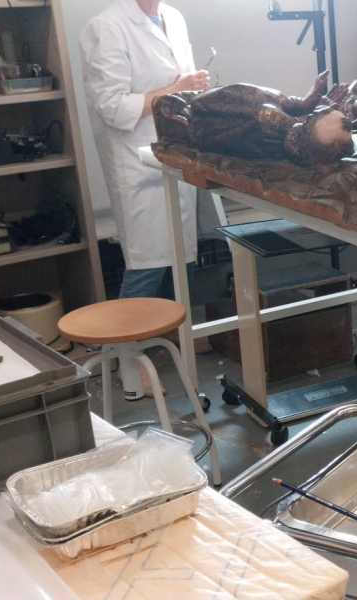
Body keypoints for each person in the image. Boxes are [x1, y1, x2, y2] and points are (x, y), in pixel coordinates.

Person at [81, 0, 208, 398]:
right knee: (146, 265)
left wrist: (193, 90)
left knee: (179, 262)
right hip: (136, 162)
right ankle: (128, 365)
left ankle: (164, 342)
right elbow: (113, 107)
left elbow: (179, 87)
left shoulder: (173, 18)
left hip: (176, 153)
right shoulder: (107, 27)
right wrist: (176, 91)